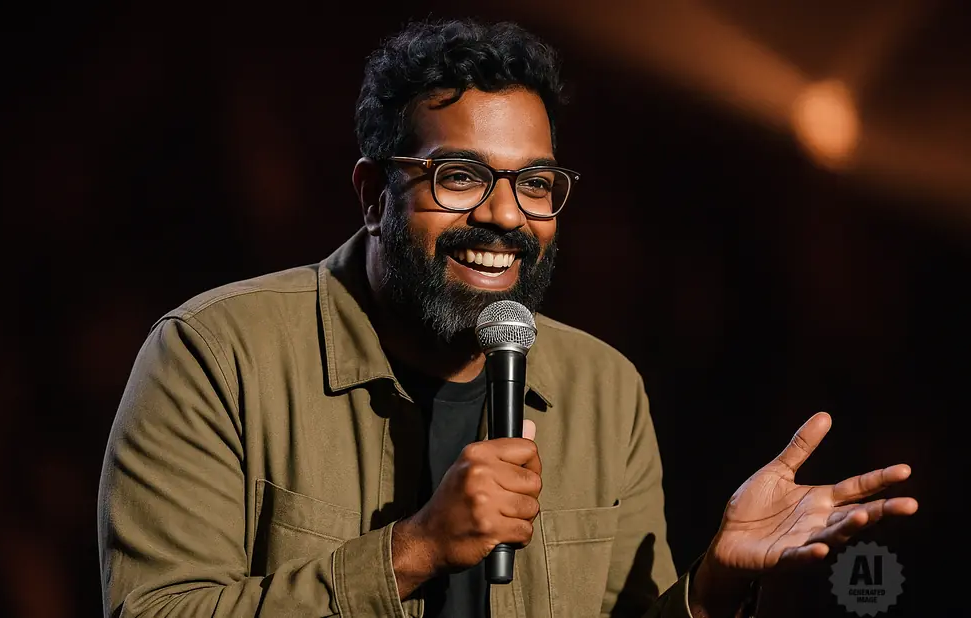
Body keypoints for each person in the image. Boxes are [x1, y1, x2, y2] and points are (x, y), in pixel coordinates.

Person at [97, 18, 918, 618]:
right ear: (372, 196)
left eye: (536, 184)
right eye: (460, 175)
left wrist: (713, 586)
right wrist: (410, 551)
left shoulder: (604, 389)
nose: (504, 217)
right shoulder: (214, 357)